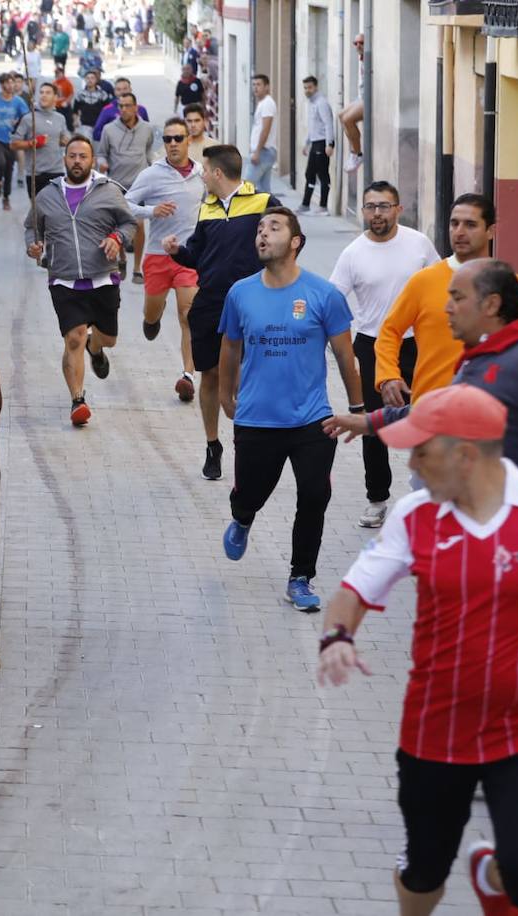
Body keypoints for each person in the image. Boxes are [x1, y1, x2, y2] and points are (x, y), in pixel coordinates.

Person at [318, 383, 518, 916]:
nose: (411, 461)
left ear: (465, 456)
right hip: (437, 724)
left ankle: (493, 876)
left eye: (422, 450)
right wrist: (337, 639)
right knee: (424, 870)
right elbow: (355, 589)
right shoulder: (414, 515)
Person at [217, 207, 361, 610]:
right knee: (251, 494)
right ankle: (243, 518)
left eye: (274, 228)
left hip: (312, 418)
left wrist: (358, 407)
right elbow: (230, 346)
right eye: (260, 229)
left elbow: (345, 354)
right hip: (256, 417)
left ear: (295, 242)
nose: (263, 234)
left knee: (314, 496)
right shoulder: (241, 293)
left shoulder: (324, 295)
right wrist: (227, 395)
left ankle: (301, 577)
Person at [327, 259, 518, 484]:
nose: (447, 308)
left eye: (458, 298)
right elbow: (440, 412)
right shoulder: (477, 360)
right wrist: (370, 421)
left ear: (491, 304)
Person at [375, 193, 518, 411]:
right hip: (431, 412)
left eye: (470, 225)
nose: (460, 232)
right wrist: (388, 375)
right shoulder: (423, 281)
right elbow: (390, 330)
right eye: (454, 223)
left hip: (495, 414)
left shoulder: (514, 285)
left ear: (490, 231)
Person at [162, 144, 281, 481]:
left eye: (204, 170)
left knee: (247, 375)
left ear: (216, 172)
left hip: (253, 304)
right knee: (211, 375)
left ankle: (248, 442)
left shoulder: (263, 202)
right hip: (211, 304)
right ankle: (213, 445)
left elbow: (291, 239)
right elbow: (197, 256)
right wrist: (176, 252)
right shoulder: (208, 208)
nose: (201, 175)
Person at [326, 181, 439, 525]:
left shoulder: (418, 244)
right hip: (371, 345)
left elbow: (440, 285)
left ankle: (426, 493)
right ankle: (377, 499)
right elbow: (332, 301)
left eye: (384, 206)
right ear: (363, 211)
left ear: (398, 209)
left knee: (427, 417)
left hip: (416, 346)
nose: (377, 213)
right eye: (370, 207)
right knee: (374, 429)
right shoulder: (353, 253)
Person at [23, 135, 138, 427]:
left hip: (103, 279)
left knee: (108, 338)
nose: (77, 161)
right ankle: (78, 400)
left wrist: (117, 238)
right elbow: (32, 227)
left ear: (92, 160)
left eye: (82, 156)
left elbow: (129, 223)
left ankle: (96, 348)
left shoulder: (109, 191)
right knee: (73, 338)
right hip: (64, 280)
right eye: (72, 156)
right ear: (64, 159)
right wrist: (33, 246)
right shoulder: (47, 194)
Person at [126, 117, 204, 402]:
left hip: (187, 257)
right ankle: (151, 320)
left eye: (178, 138)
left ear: (188, 140)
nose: (172, 144)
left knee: (188, 315)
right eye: (168, 139)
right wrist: (151, 211)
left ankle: (188, 376)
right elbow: (124, 203)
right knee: (152, 312)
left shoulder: (200, 173)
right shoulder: (152, 174)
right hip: (158, 257)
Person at [96, 91, 158, 281]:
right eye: (120, 106)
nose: (123, 109)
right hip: (116, 184)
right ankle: (122, 258)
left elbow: (148, 151)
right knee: (119, 225)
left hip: (139, 185)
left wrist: (153, 170)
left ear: (135, 107)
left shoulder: (147, 128)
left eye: (127, 105)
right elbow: (101, 153)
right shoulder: (108, 129)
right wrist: (102, 163)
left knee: (138, 224)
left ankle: (137, 269)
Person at [9, 82, 68, 200]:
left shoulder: (60, 118)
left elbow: (64, 139)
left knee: (56, 212)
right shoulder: (28, 118)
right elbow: (13, 145)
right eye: (41, 93)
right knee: (38, 215)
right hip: (35, 174)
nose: (43, 95)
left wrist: (65, 141)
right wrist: (31, 143)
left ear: (55, 97)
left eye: (48, 93)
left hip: (56, 172)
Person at [0, 72, 30, 211]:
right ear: (2, 84)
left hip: (12, 140)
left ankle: (6, 198)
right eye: (8, 83)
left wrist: (18, 122)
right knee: (0, 162)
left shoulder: (18, 101)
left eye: (12, 83)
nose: (11, 85)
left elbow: (26, 116)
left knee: (9, 169)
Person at [298, 76, 334, 215]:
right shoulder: (312, 103)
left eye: (310, 87)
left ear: (316, 87)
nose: (307, 90)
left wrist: (330, 144)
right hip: (315, 142)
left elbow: (328, 124)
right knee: (310, 174)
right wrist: (307, 143)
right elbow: (313, 126)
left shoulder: (321, 103)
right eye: (305, 88)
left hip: (322, 142)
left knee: (323, 174)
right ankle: (305, 204)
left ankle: (323, 206)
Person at [245, 74, 277, 194]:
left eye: (258, 84)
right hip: (264, 151)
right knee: (263, 191)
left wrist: (257, 151)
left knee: (246, 187)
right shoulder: (263, 103)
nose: (255, 88)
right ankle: (269, 212)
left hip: (263, 151)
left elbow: (265, 129)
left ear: (267, 87)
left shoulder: (268, 103)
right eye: (253, 85)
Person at [341, 33, 366, 172]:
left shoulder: (369, 57)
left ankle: (358, 154)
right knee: (341, 116)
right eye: (355, 43)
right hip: (361, 96)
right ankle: (353, 152)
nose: (358, 46)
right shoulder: (361, 57)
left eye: (361, 43)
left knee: (348, 119)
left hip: (366, 98)